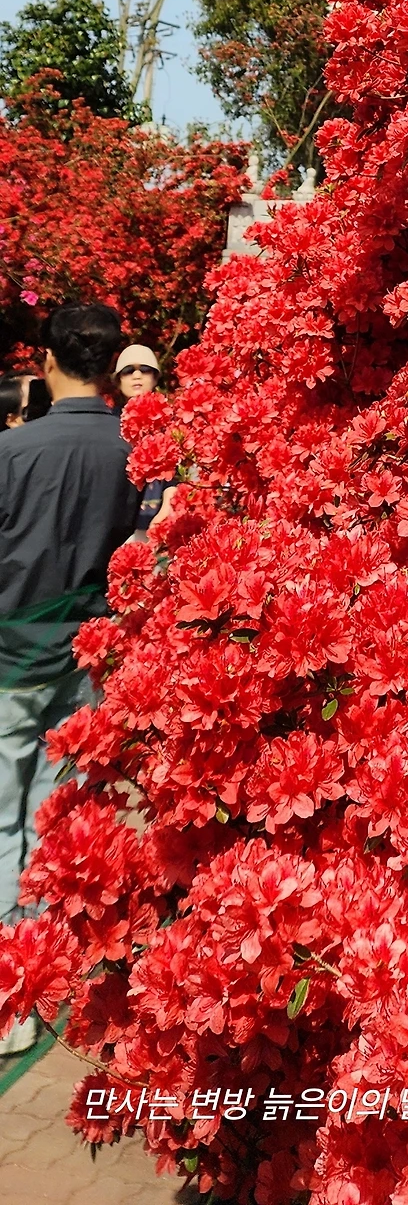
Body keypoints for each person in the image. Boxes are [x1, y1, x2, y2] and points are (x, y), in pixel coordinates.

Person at [0, 300, 139, 1047]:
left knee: (5, 818)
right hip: (91, 658)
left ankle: (12, 996)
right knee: (57, 819)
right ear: (112, 366)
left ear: (47, 361)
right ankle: (41, 979)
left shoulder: (12, 451)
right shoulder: (133, 450)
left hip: (12, 656)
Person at [114, 343, 177, 532]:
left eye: (144, 369)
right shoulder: (109, 422)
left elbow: (176, 472)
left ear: (155, 377)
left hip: (156, 516)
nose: (137, 375)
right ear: (118, 380)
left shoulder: (169, 420)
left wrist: (168, 507)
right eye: (128, 371)